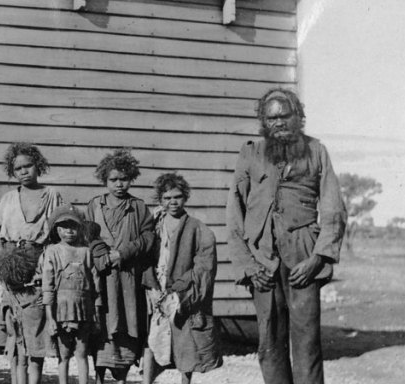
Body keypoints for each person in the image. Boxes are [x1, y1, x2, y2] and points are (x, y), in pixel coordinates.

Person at [226, 88, 346, 384]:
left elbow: (333, 210)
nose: (278, 123)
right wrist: (249, 266)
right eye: (271, 118)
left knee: (307, 345)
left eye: (284, 116)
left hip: (304, 259)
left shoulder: (317, 151)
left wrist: (317, 259)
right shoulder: (250, 152)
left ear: (298, 116)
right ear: (263, 121)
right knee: (270, 344)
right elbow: (234, 213)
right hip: (262, 260)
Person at [0, 142, 62, 384]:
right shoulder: (9, 198)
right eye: (17, 168)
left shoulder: (52, 195)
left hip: (39, 264)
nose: (23, 171)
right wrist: (2, 260)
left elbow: (58, 234)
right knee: (13, 326)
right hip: (11, 265)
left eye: (28, 166)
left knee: (35, 326)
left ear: (38, 165)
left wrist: (45, 266)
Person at [142, 173, 221, 384]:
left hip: (181, 293)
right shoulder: (154, 225)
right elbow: (145, 256)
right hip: (155, 289)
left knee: (186, 343)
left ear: (185, 197)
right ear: (160, 200)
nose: (172, 202)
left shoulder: (198, 228)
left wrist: (179, 292)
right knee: (152, 341)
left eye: (177, 197)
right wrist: (152, 286)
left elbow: (204, 267)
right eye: (167, 198)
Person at [86, 148, 156, 384]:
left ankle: (122, 376)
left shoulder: (138, 207)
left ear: (131, 179)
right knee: (100, 321)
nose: (119, 185)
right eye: (113, 180)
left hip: (127, 278)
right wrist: (101, 255)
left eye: (123, 179)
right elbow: (88, 235)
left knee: (126, 322)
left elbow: (148, 238)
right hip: (101, 277)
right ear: (105, 180)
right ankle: (99, 376)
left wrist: (123, 253)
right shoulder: (95, 205)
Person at [41, 204, 96, 384]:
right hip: (61, 309)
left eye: (73, 227)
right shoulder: (53, 251)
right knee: (63, 354)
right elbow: (47, 287)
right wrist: (50, 318)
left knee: (82, 352)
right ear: (57, 229)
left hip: (83, 308)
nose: (69, 231)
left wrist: (95, 314)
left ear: (80, 229)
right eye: (64, 227)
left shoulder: (86, 252)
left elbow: (95, 285)